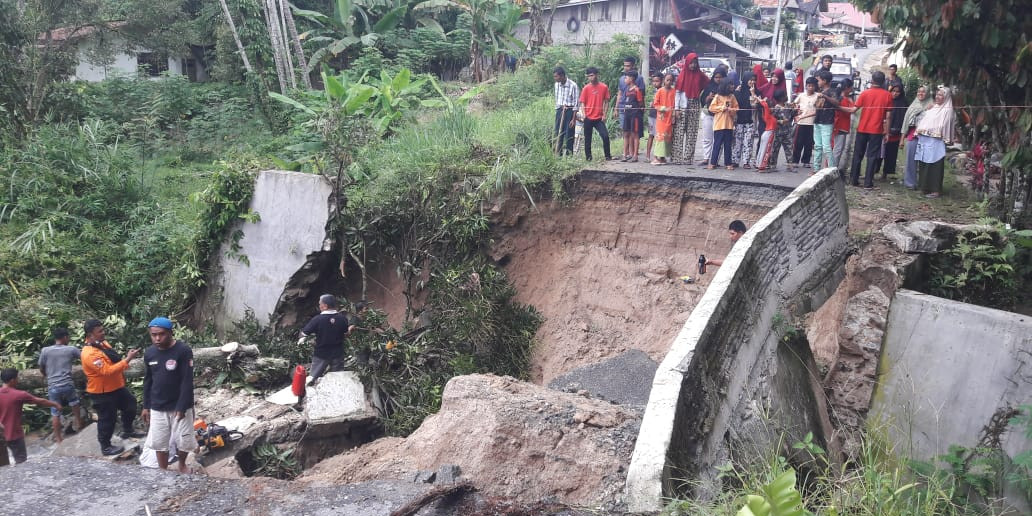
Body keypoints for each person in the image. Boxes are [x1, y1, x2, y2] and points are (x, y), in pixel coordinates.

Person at [81, 318, 144, 456]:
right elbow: (107, 371)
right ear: (90, 335)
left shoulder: (102, 344)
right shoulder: (89, 354)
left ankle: (127, 430)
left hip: (116, 387)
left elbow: (113, 359)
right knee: (107, 418)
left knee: (130, 404)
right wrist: (128, 359)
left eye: (103, 330)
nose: (103, 333)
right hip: (101, 392)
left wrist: (126, 358)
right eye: (100, 331)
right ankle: (106, 446)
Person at [141, 317, 196, 472]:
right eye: (153, 335)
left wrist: (182, 406)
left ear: (171, 333)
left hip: (180, 405)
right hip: (158, 406)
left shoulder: (183, 351)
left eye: (162, 334)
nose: (157, 338)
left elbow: (187, 381)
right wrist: (146, 406)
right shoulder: (150, 353)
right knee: (160, 442)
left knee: (184, 440)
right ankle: (163, 469)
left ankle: (182, 464)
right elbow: (148, 381)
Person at [0, 369, 62, 465]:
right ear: (12, 380)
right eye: (17, 378)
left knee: (3, 466)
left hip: (1, 436)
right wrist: (55, 404)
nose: (18, 380)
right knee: (21, 462)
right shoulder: (19, 395)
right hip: (14, 434)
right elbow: (40, 401)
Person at [846, 71, 894, 189]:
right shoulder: (887, 95)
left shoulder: (865, 93)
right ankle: (868, 183)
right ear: (883, 82)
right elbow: (888, 116)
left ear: (872, 80)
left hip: (862, 128)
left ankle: (854, 179)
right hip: (876, 130)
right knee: (872, 156)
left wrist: (837, 106)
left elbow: (853, 110)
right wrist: (887, 132)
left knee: (858, 154)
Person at [38, 328, 84, 444]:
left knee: (55, 412)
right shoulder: (71, 349)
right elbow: (85, 358)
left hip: (53, 386)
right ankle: (79, 424)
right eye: (68, 337)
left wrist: (46, 375)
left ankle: (59, 439)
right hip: (67, 384)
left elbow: (42, 368)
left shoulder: (45, 351)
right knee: (75, 403)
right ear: (65, 337)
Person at [299, 294, 356, 386]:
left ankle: (306, 396)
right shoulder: (342, 319)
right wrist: (350, 329)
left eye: (320, 304)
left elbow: (304, 334)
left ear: (325, 306)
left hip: (321, 354)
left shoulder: (317, 320)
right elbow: (346, 334)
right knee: (337, 379)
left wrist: (303, 341)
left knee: (312, 378)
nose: (319, 306)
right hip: (338, 354)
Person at [915, 86, 956, 198]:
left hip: (935, 142)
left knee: (935, 165)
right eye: (937, 94)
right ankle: (924, 187)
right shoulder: (933, 107)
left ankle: (935, 190)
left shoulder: (947, 110)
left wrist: (931, 130)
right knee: (924, 164)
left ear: (946, 97)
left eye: (941, 95)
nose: (938, 97)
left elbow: (942, 126)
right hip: (925, 140)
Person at [673, 52, 709, 164]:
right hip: (683, 106)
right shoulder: (682, 75)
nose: (693, 65)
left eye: (695, 63)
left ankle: (688, 158)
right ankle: (677, 158)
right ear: (687, 63)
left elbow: (709, 83)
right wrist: (677, 108)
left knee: (692, 132)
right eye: (691, 63)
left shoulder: (700, 75)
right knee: (679, 131)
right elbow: (677, 93)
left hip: (694, 104)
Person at [578, 66, 612, 161]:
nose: (590, 78)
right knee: (587, 139)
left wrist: (605, 114)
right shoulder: (586, 88)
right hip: (588, 117)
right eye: (588, 76)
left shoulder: (604, 87)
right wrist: (584, 114)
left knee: (605, 136)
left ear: (597, 75)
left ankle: (608, 156)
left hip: (599, 118)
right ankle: (588, 158)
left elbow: (606, 101)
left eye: (592, 75)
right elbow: (582, 102)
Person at [902, 85, 933, 189]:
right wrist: (902, 139)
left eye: (923, 92)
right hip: (912, 136)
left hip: (927, 137)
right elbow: (906, 121)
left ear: (928, 93)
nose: (920, 94)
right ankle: (910, 183)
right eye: (919, 91)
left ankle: (924, 183)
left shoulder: (932, 105)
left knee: (925, 161)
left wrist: (926, 111)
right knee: (911, 160)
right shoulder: (914, 104)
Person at [756, 90, 794, 171]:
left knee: (789, 148)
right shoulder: (775, 108)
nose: (787, 97)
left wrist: (796, 110)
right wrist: (781, 121)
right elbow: (772, 120)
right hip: (778, 132)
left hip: (788, 131)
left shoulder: (788, 106)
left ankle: (790, 164)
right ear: (781, 98)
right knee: (775, 149)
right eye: (785, 95)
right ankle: (772, 164)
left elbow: (792, 114)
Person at [811, 70, 841, 173]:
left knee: (827, 147)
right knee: (817, 146)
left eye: (819, 80)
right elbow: (816, 106)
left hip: (827, 122)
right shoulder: (821, 92)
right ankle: (816, 169)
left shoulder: (833, 91)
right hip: (818, 121)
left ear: (824, 80)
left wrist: (825, 97)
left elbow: (836, 103)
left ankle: (832, 170)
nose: (817, 82)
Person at [876, 84, 908, 180]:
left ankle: (886, 173)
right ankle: (874, 170)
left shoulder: (904, 103)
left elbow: (905, 118)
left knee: (890, 154)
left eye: (897, 91)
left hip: (896, 133)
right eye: (893, 91)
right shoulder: (886, 100)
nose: (895, 93)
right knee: (879, 152)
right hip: (883, 130)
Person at [614, 56, 647, 150]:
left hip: (634, 109)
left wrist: (642, 108)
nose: (626, 68)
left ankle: (633, 152)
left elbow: (642, 95)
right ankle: (626, 152)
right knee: (625, 131)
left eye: (628, 66)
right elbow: (619, 94)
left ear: (633, 66)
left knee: (633, 131)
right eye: (624, 65)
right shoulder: (622, 79)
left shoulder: (639, 79)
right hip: (623, 107)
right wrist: (616, 108)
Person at [707, 78, 738, 169]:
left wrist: (732, 111)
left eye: (733, 84)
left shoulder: (732, 97)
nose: (733, 86)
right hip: (719, 125)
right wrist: (721, 108)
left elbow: (736, 108)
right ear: (725, 86)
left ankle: (728, 163)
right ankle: (713, 162)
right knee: (717, 144)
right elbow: (711, 108)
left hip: (729, 125)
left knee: (728, 145)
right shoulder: (718, 96)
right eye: (730, 84)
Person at [698, 67, 726, 165]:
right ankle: (706, 158)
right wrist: (708, 98)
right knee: (707, 137)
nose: (718, 79)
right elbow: (702, 101)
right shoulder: (709, 87)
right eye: (716, 77)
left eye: (721, 77)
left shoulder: (726, 88)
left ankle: (715, 160)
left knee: (717, 139)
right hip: (708, 115)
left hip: (721, 116)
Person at [790, 77, 819, 169]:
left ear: (815, 87)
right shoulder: (801, 96)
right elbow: (794, 104)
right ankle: (795, 160)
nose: (810, 88)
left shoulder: (817, 96)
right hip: (801, 122)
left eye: (812, 86)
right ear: (806, 86)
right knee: (798, 143)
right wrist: (796, 111)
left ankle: (806, 161)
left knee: (809, 144)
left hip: (812, 123)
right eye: (809, 86)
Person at [732, 72, 757, 169]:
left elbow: (754, 106)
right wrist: (736, 92)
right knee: (737, 141)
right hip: (739, 121)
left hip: (750, 121)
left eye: (754, 80)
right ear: (745, 80)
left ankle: (746, 161)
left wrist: (753, 93)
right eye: (750, 80)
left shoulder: (755, 91)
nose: (752, 82)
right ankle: (735, 160)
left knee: (748, 141)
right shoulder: (738, 91)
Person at [651, 73, 677, 165]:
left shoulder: (674, 91)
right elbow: (655, 104)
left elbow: (675, 105)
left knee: (667, 137)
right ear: (664, 81)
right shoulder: (660, 91)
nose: (669, 82)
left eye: (671, 80)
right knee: (660, 137)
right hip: (661, 118)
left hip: (670, 117)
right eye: (667, 80)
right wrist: (663, 108)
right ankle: (655, 157)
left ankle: (662, 157)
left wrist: (674, 115)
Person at [552, 67, 579, 156]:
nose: (555, 79)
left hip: (570, 111)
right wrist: (558, 110)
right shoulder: (557, 85)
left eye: (556, 77)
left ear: (562, 76)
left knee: (569, 135)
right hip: (560, 110)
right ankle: (558, 155)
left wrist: (573, 119)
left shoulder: (573, 85)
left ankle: (569, 156)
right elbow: (557, 98)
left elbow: (576, 103)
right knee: (558, 133)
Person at [831, 80, 855, 172]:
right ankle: (832, 169)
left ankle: (833, 167)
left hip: (843, 125)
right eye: (850, 87)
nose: (852, 89)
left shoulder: (845, 98)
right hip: (840, 124)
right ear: (846, 88)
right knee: (838, 148)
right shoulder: (841, 99)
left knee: (839, 148)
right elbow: (851, 110)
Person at [619, 71, 644, 162]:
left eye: (626, 77)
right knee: (626, 133)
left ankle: (635, 155)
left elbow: (640, 103)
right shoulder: (626, 90)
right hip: (627, 114)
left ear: (632, 78)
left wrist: (639, 111)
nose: (625, 79)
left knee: (635, 134)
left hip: (635, 115)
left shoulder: (637, 90)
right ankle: (625, 154)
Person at [645, 73, 663, 161]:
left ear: (662, 81)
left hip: (661, 116)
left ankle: (657, 155)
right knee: (651, 135)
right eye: (653, 81)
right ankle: (648, 155)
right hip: (652, 115)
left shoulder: (663, 91)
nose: (655, 83)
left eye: (657, 81)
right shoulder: (653, 91)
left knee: (659, 136)